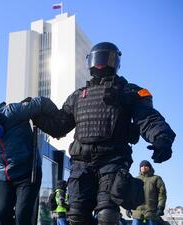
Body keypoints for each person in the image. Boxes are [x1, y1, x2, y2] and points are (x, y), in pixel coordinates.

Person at [33, 42, 176, 225]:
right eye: (97, 59)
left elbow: (147, 118)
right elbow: (59, 125)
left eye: (105, 58)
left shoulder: (128, 91)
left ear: (115, 62)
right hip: (81, 164)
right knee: (76, 217)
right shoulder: (77, 96)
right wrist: (35, 115)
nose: (100, 63)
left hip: (112, 160)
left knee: (107, 216)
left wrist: (162, 137)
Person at [0, 96, 58, 225]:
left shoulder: (12, 112)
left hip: (28, 173)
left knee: (22, 216)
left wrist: (57, 124)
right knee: (1, 214)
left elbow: (41, 103)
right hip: (4, 176)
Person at [126, 160, 167, 225]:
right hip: (137, 213)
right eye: (142, 166)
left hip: (152, 212)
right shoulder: (135, 180)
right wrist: (128, 208)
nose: (143, 167)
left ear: (150, 167)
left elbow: (162, 194)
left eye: (146, 166)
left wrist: (161, 207)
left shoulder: (156, 178)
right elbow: (131, 195)